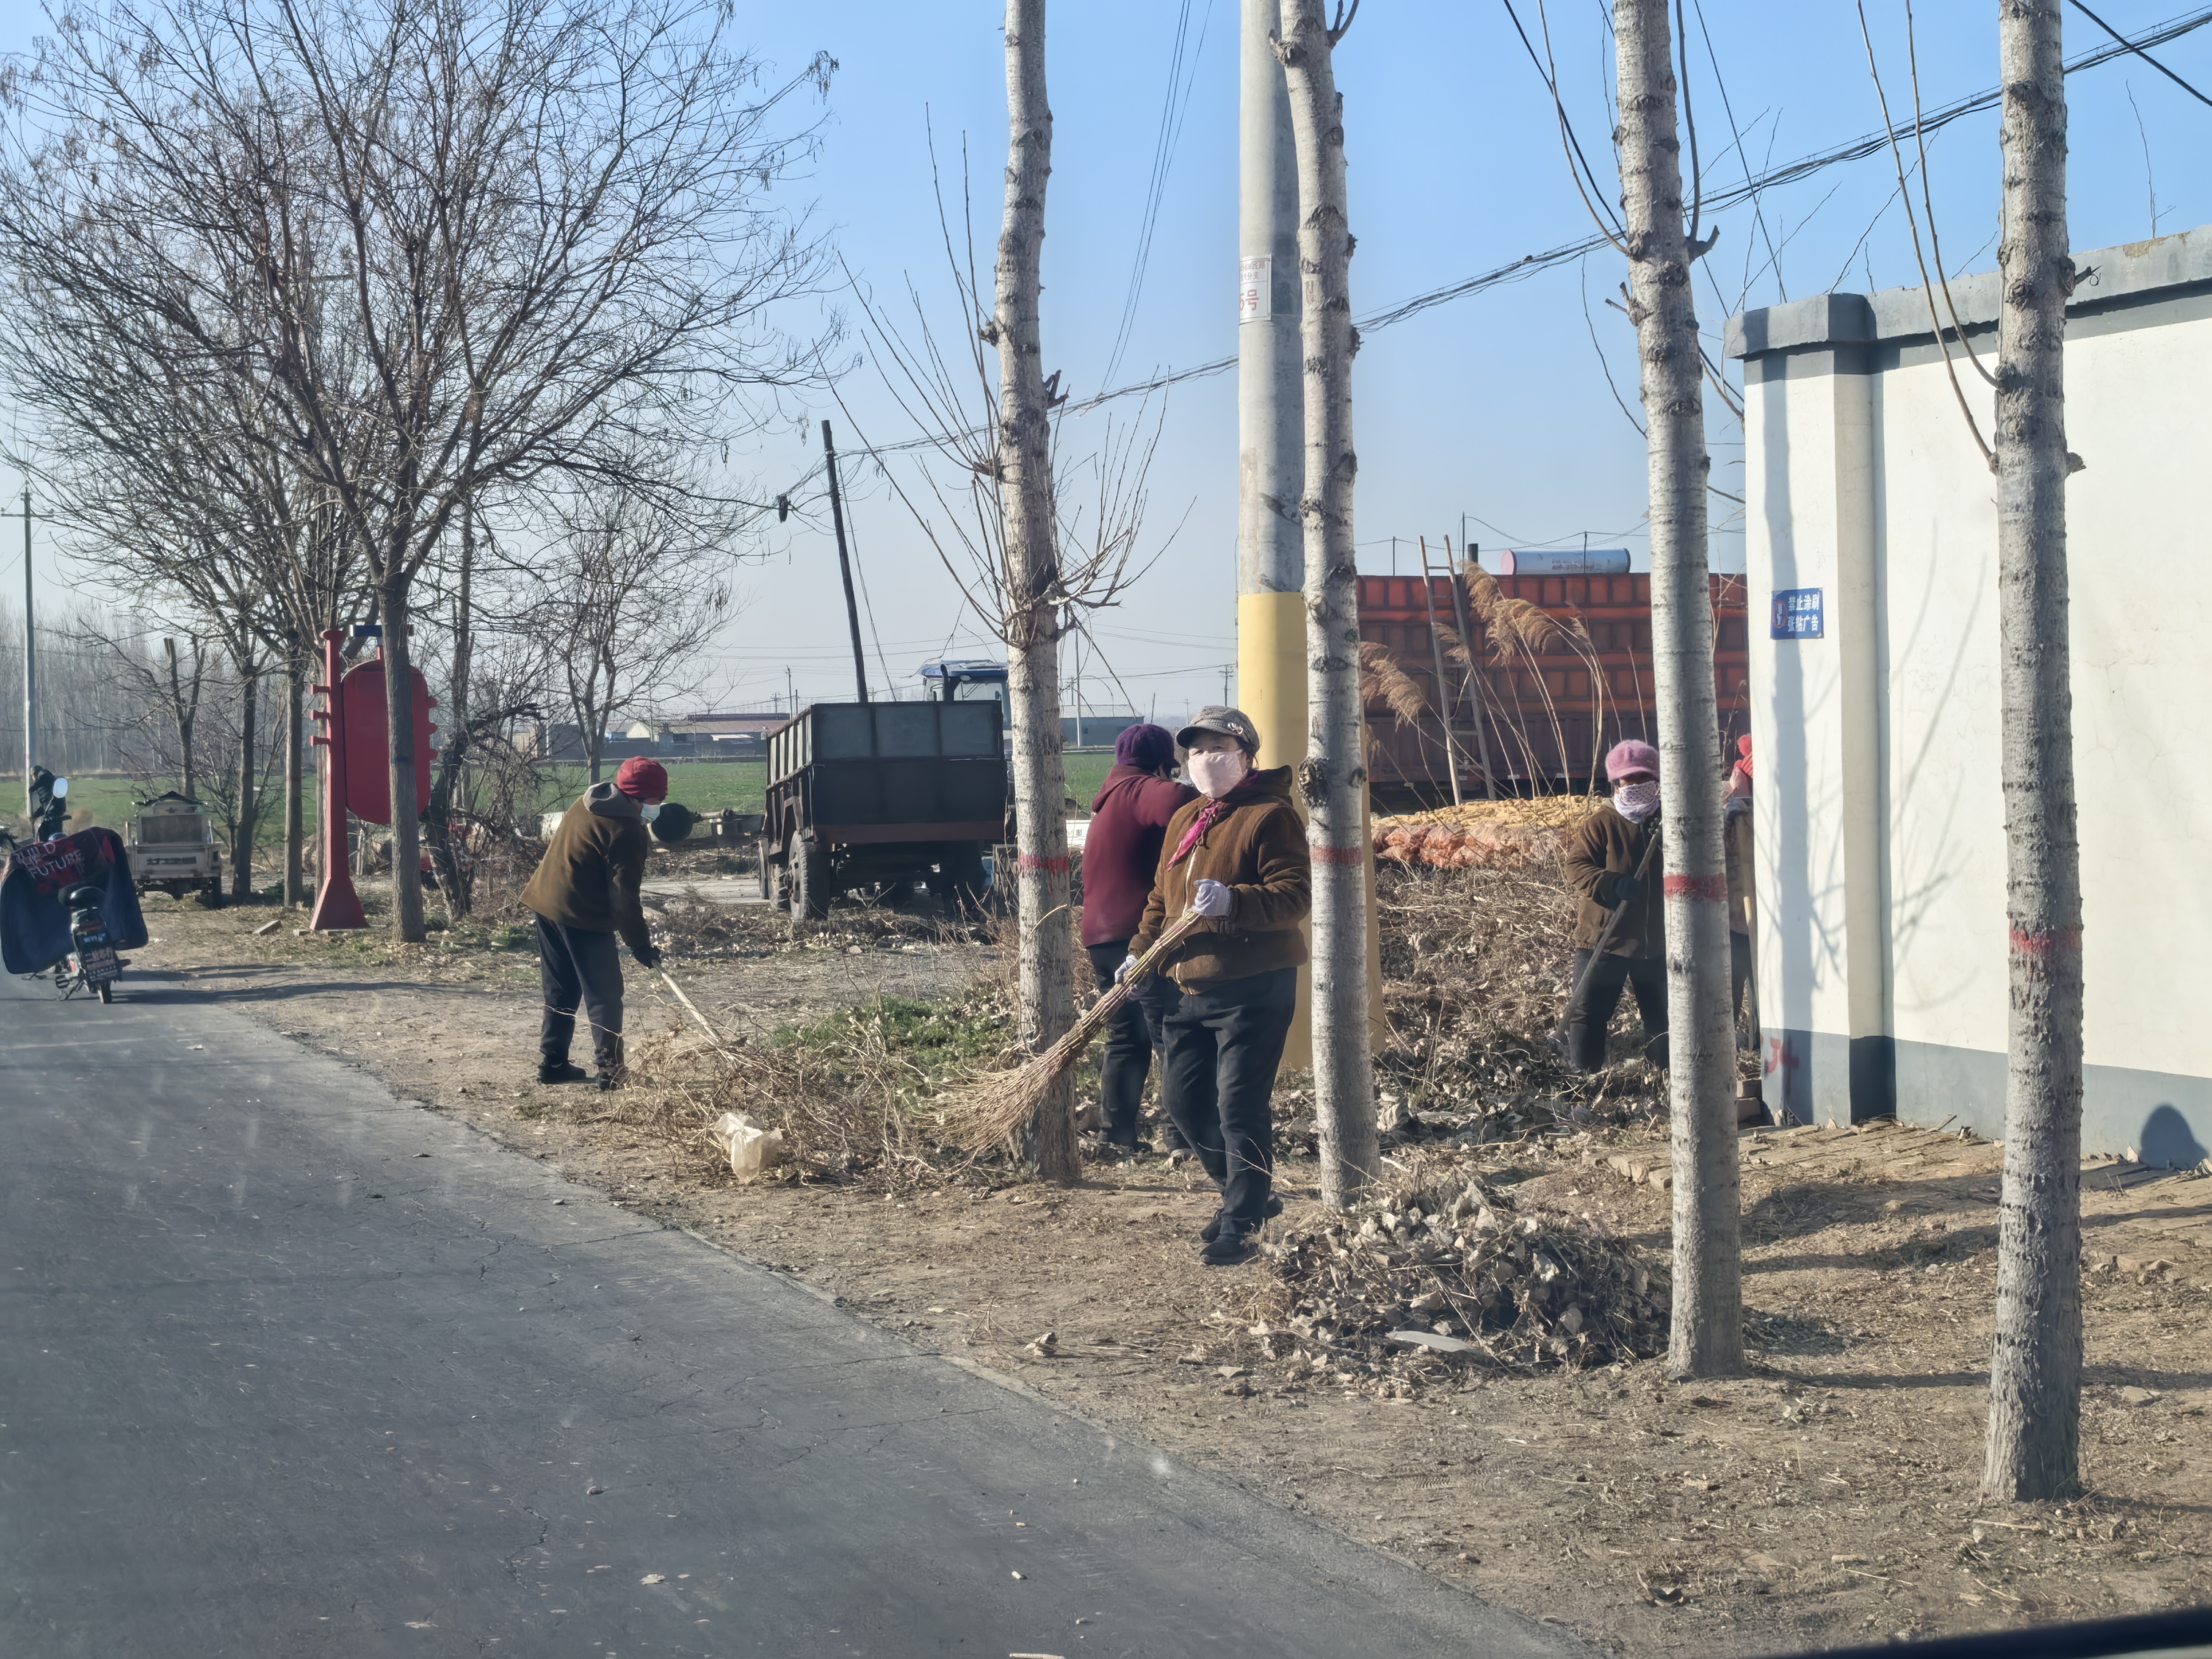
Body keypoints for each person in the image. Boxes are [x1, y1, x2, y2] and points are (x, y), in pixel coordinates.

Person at [1125, 707, 1311, 1266]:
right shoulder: (1187, 818)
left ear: (1245, 757)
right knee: (1182, 1103)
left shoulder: (1270, 816)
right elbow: (1161, 898)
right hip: (1185, 985)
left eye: (1218, 749)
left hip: (1254, 986)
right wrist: (1138, 951)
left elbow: (1294, 897)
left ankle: (1242, 1223)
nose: (1205, 759)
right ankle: (1245, 1194)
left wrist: (1235, 902)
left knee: (1238, 1106)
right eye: (1196, 750)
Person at [1080, 723, 1197, 1152]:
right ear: (1163, 764)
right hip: (1137, 937)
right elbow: (1176, 800)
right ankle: (1182, 1137)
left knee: (1128, 1038)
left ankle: (1117, 1136)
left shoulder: (1110, 797)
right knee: (1170, 1033)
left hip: (1101, 935)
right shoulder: (1139, 789)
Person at [520, 756, 667, 1089]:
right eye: (659, 798)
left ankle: (553, 1063)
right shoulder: (627, 830)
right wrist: (640, 944)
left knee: (561, 988)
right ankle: (610, 1072)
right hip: (581, 914)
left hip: (546, 902)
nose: (660, 804)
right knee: (605, 993)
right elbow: (624, 897)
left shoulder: (589, 802)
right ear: (640, 796)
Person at [1561, 739, 1668, 1073]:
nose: (1636, 785)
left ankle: (1665, 1078)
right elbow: (1576, 867)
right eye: (1628, 779)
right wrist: (1611, 884)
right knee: (1589, 1014)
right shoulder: (1602, 823)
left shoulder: (1667, 821)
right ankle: (1585, 1079)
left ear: (1656, 778)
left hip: (1655, 942)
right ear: (1617, 782)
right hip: (1606, 938)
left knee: (1662, 1018)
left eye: (1643, 778)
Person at [1724, 733, 1757, 1050]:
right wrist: (1727, 821)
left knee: (1763, 990)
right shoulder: (1731, 811)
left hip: (1766, 921)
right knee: (1731, 984)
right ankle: (1728, 1046)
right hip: (1734, 919)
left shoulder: (1772, 812)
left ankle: (1760, 1045)